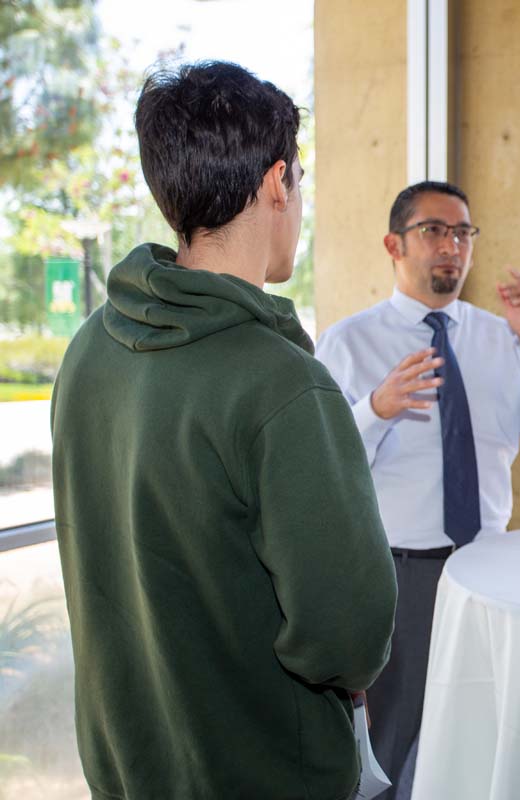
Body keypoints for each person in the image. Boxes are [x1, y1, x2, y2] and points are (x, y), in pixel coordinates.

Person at [50, 62, 398, 800]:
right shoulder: (281, 384)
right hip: (261, 771)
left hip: (128, 760)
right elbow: (348, 637)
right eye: (300, 181)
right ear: (277, 183)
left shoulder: (89, 349)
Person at [315, 180, 520, 795]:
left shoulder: (500, 338)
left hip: (486, 572)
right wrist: (376, 408)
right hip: (395, 577)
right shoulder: (349, 343)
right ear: (394, 244)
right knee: (390, 742)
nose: (451, 246)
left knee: (477, 737)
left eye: (462, 233)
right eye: (433, 230)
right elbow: (324, 466)